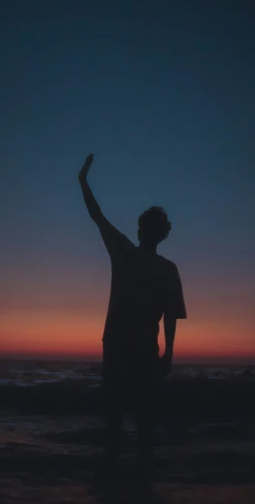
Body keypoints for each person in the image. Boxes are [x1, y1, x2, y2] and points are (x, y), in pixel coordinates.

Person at [78, 153, 187, 476]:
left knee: (117, 421)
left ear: (142, 231)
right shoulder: (166, 268)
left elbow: (96, 214)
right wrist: (169, 354)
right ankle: (141, 486)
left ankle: (115, 487)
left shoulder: (126, 251)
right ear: (161, 233)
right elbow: (171, 315)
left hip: (121, 348)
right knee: (143, 425)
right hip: (140, 350)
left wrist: (83, 180)